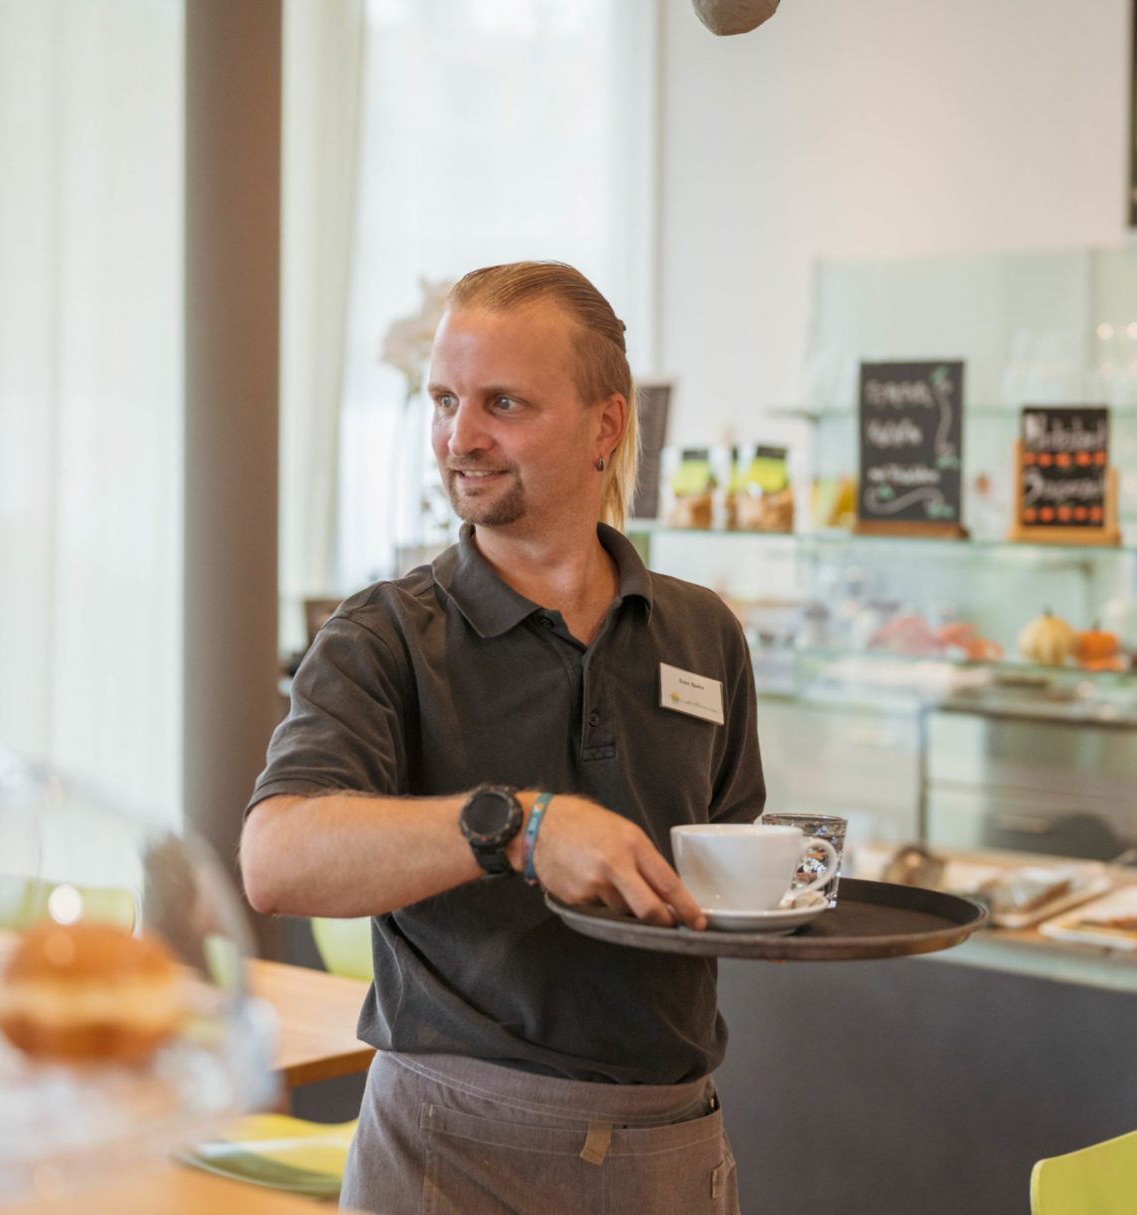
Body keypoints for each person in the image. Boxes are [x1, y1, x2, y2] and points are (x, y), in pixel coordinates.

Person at [240, 261, 764, 1215]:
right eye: (445, 399)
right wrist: (518, 828)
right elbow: (278, 858)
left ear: (606, 424)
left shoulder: (704, 634)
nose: (459, 437)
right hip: (455, 1154)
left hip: (675, 1149)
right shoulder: (382, 636)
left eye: (504, 403)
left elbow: (717, 865)